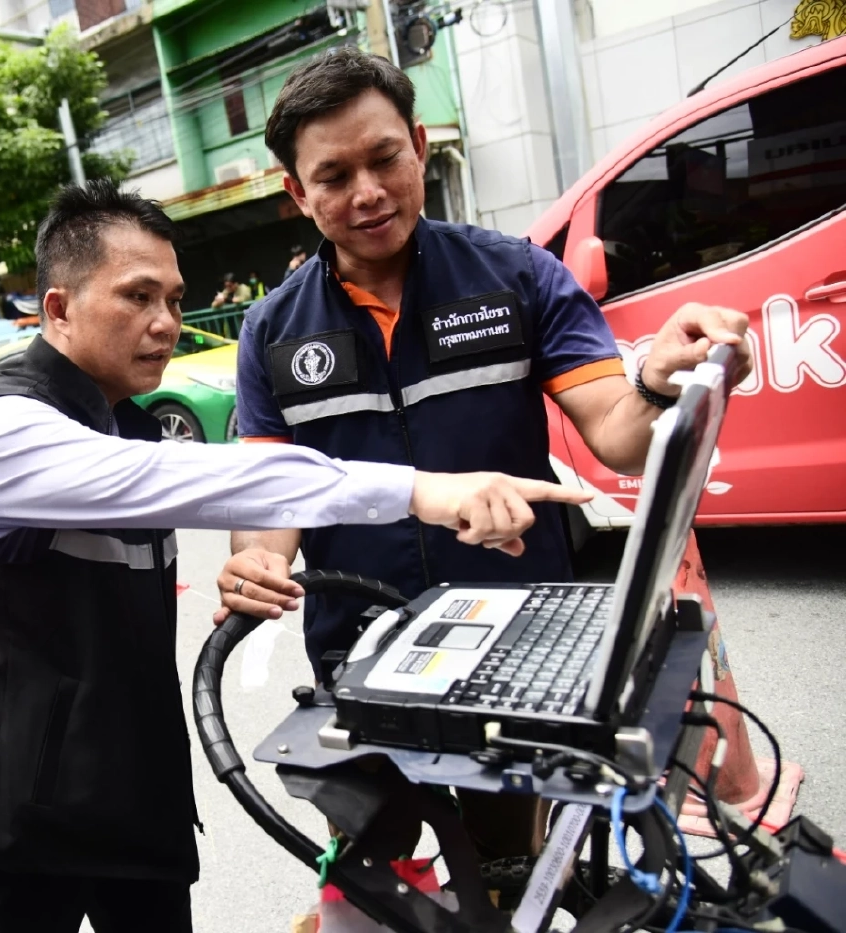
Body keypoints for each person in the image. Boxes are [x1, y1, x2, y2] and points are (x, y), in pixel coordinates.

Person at [0, 180, 592, 933]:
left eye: (173, 299)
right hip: (11, 810)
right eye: (137, 297)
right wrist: (420, 490)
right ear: (59, 308)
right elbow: (200, 476)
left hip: (129, 792)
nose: (165, 322)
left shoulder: (124, 420)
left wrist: (259, 559)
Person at [215, 48, 753, 865]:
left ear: (420, 145)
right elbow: (271, 502)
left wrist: (657, 378)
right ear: (297, 192)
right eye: (333, 176)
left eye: (384, 157)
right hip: (357, 659)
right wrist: (251, 564)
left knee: (509, 873)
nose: (366, 192)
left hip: (517, 648)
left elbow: (617, 429)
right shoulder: (272, 332)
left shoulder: (516, 277)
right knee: (374, 876)